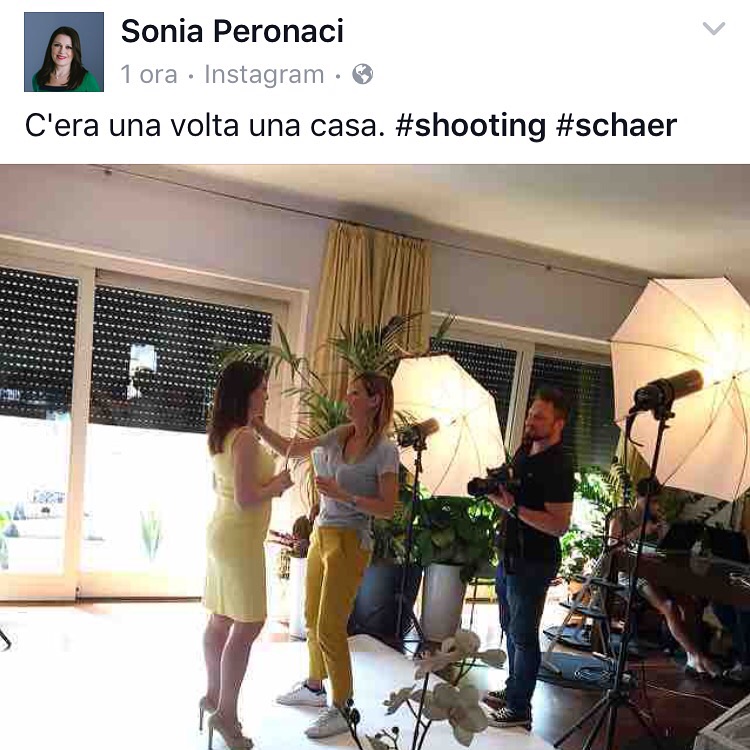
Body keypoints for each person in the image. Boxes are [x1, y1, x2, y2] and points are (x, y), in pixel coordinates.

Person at [252, 372, 399, 739]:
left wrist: (343, 494)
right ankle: (315, 686)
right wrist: (258, 425)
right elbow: (293, 448)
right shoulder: (340, 434)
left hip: (351, 541)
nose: (347, 398)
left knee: (331, 626)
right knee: (312, 618)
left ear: (375, 400)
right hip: (322, 534)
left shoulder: (385, 450)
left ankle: (343, 708)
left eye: (355, 393)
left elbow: (387, 508)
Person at [201, 361, 294, 750]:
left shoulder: (223, 434)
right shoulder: (244, 439)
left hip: (223, 533)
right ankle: (226, 715)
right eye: (261, 388)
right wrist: (278, 483)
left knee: (221, 619)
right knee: (249, 624)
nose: (267, 395)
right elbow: (246, 497)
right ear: (245, 393)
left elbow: (224, 488)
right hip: (238, 539)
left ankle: (212, 697)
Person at [483, 386, 575, 729]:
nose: (530, 420)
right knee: (510, 628)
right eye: (530, 414)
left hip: (534, 561)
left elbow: (559, 525)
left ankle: (520, 707)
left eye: (539, 416)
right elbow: (515, 499)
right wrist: (497, 492)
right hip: (510, 554)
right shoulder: (525, 451)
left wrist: (513, 508)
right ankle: (513, 690)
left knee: (523, 635)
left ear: (558, 424)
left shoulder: (559, 466)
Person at [608, 478, 720, 677]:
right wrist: (639, 532)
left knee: (690, 603)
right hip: (632, 574)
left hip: (657, 573)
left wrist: (665, 533)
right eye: (651, 501)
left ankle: (693, 654)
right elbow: (610, 549)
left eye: (657, 502)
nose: (655, 506)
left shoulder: (655, 519)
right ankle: (695, 655)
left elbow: (665, 551)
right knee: (668, 606)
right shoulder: (620, 517)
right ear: (638, 497)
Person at [32, 26, 100, 91]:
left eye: (68, 47)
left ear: (75, 51)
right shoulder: (37, 78)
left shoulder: (87, 80)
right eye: (57, 45)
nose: (62, 51)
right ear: (51, 47)